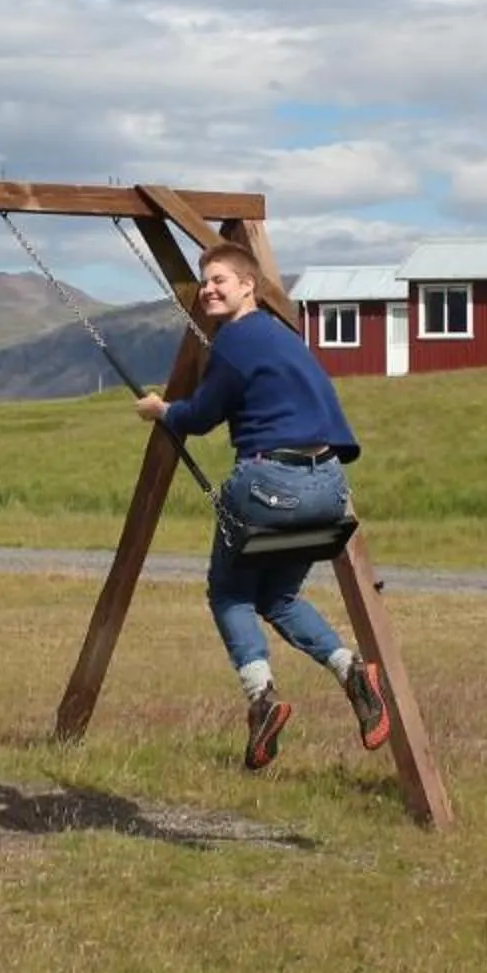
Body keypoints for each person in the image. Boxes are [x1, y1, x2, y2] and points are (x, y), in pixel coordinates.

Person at [134, 242, 391, 771]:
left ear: (249, 285)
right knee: (277, 597)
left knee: (229, 592)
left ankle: (262, 699)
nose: (208, 289)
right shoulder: (285, 338)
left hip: (270, 483)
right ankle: (352, 672)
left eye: (220, 280)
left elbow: (201, 416)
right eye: (205, 281)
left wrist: (162, 410)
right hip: (329, 488)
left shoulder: (233, 341)